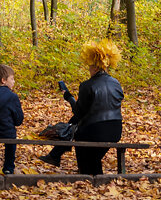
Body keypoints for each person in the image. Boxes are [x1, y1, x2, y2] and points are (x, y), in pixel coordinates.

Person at [43, 40, 123, 175]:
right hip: (115, 130)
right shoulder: (116, 83)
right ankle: (89, 175)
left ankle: (82, 172)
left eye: (90, 66)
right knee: (93, 157)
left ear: (96, 67)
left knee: (79, 139)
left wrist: (69, 97)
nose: (89, 69)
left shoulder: (87, 85)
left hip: (96, 131)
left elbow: (79, 112)